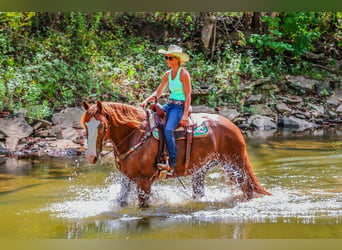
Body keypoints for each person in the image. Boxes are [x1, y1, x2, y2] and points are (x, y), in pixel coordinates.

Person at [141, 44, 192, 175]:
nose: (167, 60)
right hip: (169, 104)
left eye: (170, 58)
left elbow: (188, 95)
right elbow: (158, 92)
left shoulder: (183, 74)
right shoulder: (167, 75)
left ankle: (172, 162)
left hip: (179, 106)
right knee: (151, 121)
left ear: (177, 60)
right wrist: (147, 100)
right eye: (166, 57)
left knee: (169, 129)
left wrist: (185, 114)